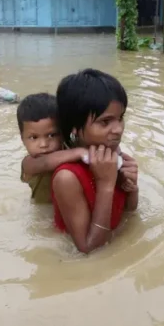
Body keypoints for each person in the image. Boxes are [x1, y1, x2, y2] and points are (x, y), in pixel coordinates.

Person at [51, 69, 139, 254]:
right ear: (74, 127)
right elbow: (89, 249)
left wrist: (132, 187)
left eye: (120, 118)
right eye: (105, 122)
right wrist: (106, 184)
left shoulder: (111, 153)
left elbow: (128, 213)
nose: (118, 129)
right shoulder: (67, 177)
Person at [17, 93, 88, 204]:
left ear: (64, 133)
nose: (43, 144)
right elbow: (45, 163)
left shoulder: (69, 149)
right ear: (22, 139)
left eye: (51, 135)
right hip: (42, 211)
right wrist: (80, 152)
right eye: (33, 137)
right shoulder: (29, 163)